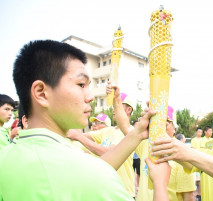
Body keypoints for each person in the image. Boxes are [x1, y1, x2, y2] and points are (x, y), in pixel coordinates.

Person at [0, 40, 170, 201]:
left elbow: (90, 171)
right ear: (41, 93)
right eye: (81, 85)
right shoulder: (92, 176)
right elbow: (91, 174)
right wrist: (160, 184)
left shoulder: (6, 157)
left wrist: (136, 134)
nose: (90, 97)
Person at [67, 91, 136, 198]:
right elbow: (79, 135)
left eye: (118, 104)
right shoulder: (107, 130)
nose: (114, 108)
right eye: (113, 105)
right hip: (106, 190)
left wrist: (78, 137)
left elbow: (109, 152)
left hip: (123, 192)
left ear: (129, 110)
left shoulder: (130, 132)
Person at [176, 134, 196, 201]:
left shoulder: (173, 148)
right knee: (189, 197)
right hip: (186, 177)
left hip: (177, 179)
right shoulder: (187, 148)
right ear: (182, 140)